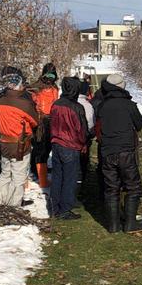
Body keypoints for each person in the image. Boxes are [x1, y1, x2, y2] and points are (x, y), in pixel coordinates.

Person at [97, 74, 142, 233]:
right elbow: (139, 125)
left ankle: (113, 225)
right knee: (133, 187)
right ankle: (130, 224)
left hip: (107, 152)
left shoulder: (103, 105)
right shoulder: (129, 104)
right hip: (126, 151)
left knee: (111, 188)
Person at [0, 68, 39, 207]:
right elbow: (35, 121)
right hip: (20, 144)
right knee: (18, 177)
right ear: (18, 84)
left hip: (4, 142)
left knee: (5, 174)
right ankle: (13, 205)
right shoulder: (23, 104)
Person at [49, 77, 88, 220]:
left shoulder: (56, 104)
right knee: (69, 179)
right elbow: (81, 129)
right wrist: (83, 143)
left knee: (57, 177)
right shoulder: (76, 107)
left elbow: (51, 124)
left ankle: (55, 208)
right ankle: (65, 209)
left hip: (57, 144)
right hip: (70, 146)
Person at [28, 63, 59, 184]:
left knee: (47, 146)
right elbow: (30, 104)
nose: (50, 78)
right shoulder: (35, 88)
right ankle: (37, 171)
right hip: (39, 120)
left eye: (52, 75)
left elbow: (55, 102)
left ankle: (42, 167)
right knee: (38, 146)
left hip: (51, 120)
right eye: (48, 74)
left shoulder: (55, 88)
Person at [78, 80, 96, 181]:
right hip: (84, 138)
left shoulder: (69, 102)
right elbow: (91, 123)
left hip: (69, 139)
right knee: (83, 160)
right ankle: (83, 176)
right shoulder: (88, 105)